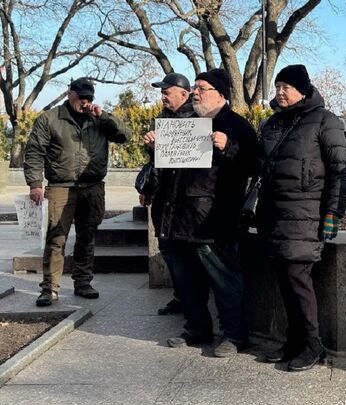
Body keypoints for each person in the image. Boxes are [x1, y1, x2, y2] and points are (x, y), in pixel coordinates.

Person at [151, 68, 257, 358]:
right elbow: (170, 169)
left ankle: (234, 335)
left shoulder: (237, 125)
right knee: (187, 281)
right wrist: (155, 149)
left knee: (225, 280)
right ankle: (196, 327)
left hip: (212, 219)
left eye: (202, 88)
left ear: (220, 94)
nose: (195, 93)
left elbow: (255, 165)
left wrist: (229, 147)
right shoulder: (186, 122)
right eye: (195, 88)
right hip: (178, 217)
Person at [257, 64, 346, 371]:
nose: (280, 92)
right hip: (274, 214)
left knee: (298, 280)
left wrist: (333, 213)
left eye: (287, 87)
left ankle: (313, 344)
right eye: (277, 86)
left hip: (305, 214)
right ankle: (294, 340)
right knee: (285, 281)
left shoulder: (325, 121)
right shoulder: (272, 123)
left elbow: (340, 170)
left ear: (303, 90)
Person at [24, 77, 131, 307]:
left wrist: (103, 116)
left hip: (92, 186)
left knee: (87, 236)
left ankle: (83, 282)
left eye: (89, 97)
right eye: (81, 96)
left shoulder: (99, 119)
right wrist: (35, 184)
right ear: (69, 93)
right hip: (61, 187)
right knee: (56, 237)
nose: (85, 101)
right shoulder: (50, 118)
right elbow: (34, 151)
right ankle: (49, 288)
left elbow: (125, 135)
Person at [141, 72, 194, 316]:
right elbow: (157, 162)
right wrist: (152, 148)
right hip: (163, 196)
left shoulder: (197, 118)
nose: (162, 97)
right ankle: (181, 295)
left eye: (166, 92)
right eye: (161, 93)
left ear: (184, 94)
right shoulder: (161, 119)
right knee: (167, 249)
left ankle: (192, 299)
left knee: (186, 254)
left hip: (185, 198)